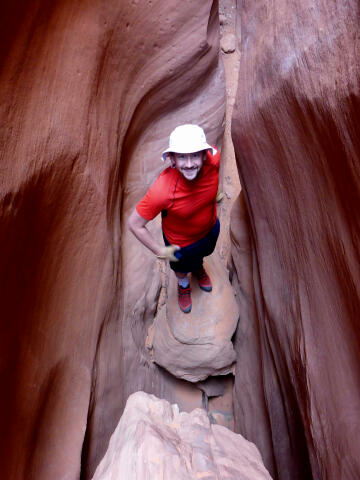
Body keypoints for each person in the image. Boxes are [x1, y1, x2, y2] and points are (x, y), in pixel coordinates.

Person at [128, 124, 220, 313]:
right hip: (181, 243)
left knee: (201, 255)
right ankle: (184, 284)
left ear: (205, 154)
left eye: (194, 155)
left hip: (210, 229)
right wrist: (160, 250)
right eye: (181, 157)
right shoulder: (162, 191)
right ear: (172, 160)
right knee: (180, 267)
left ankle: (198, 269)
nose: (189, 164)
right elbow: (135, 224)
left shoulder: (214, 160)